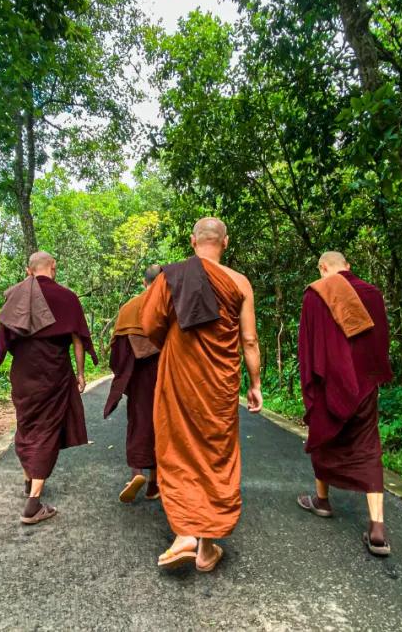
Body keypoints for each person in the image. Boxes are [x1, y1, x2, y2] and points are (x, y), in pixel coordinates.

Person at [141, 217, 262, 572]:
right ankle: (206, 545)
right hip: (221, 386)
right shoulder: (240, 282)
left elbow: (150, 325)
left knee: (179, 449)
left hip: (180, 378)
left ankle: (184, 536)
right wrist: (254, 384)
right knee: (215, 454)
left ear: (194, 241)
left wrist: (176, 344)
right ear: (225, 242)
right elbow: (250, 340)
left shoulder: (171, 276)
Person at [295, 251, 393, 555]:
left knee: (324, 438)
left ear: (324, 268)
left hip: (329, 386)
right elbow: (381, 341)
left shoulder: (315, 294)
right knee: (367, 447)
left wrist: (310, 386)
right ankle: (377, 526)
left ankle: (323, 502)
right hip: (364, 386)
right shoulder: (372, 294)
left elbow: (307, 346)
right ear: (348, 267)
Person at [0, 251, 96, 525]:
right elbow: (78, 340)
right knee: (47, 428)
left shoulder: (16, 295)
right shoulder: (67, 297)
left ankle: (30, 479)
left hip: (23, 372)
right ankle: (33, 504)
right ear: (54, 267)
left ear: (29, 271)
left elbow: (6, 338)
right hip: (53, 369)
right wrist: (81, 373)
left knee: (26, 423)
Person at [104, 264, 163, 503]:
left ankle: (135, 474)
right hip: (163, 374)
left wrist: (123, 375)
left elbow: (118, 351)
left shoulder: (128, 308)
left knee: (138, 421)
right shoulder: (168, 307)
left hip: (138, 377)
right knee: (162, 426)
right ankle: (153, 485)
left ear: (143, 283)